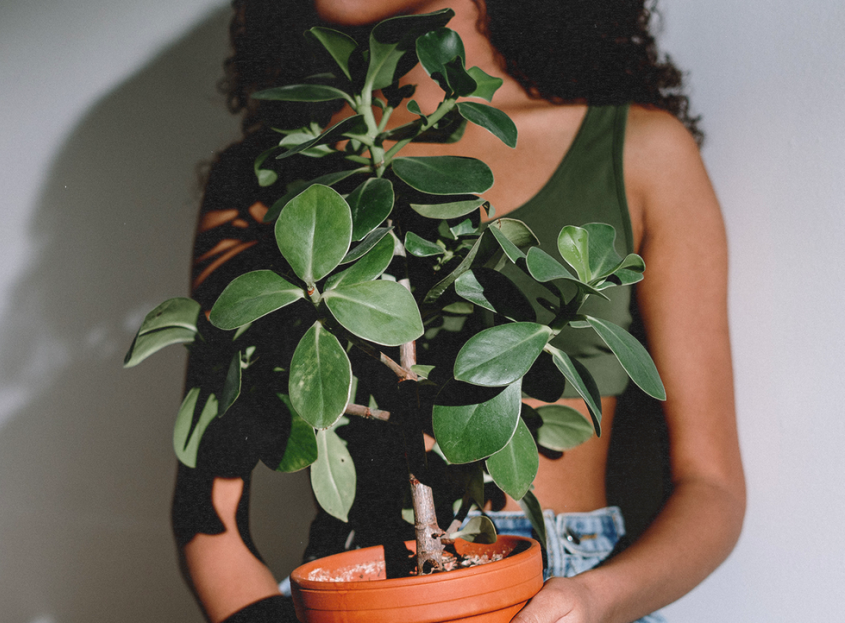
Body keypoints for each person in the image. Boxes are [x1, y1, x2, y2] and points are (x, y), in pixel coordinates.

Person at [173, 1, 746, 622]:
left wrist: (589, 601)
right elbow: (209, 513)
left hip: (566, 593)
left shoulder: (640, 148)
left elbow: (711, 488)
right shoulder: (265, 174)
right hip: (357, 585)